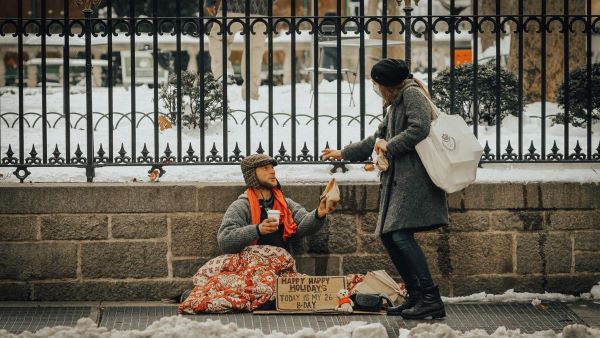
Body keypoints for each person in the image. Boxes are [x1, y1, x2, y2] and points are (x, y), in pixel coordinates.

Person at [321, 58, 449, 320]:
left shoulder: (412, 94)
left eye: (377, 84)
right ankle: (415, 295)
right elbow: (375, 138)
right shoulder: (395, 103)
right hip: (399, 181)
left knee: (399, 235)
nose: (376, 88)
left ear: (387, 83)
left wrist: (390, 146)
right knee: (390, 235)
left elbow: (419, 128)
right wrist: (343, 152)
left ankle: (430, 298)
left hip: (415, 181)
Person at [218, 153, 338, 254]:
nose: (272, 172)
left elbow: (303, 226)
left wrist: (319, 213)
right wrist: (257, 230)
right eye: (265, 168)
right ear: (252, 174)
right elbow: (225, 241)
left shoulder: (285, 203)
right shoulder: (241, 206)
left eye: (272, 167)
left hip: (283, 265)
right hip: (253, 268)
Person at [206, 0, 269, 101]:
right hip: (261, 8)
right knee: (255, 50)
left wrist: (210, 2)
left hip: (232, 6)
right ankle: (251, 95)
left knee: (218, 38)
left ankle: (223, 72)